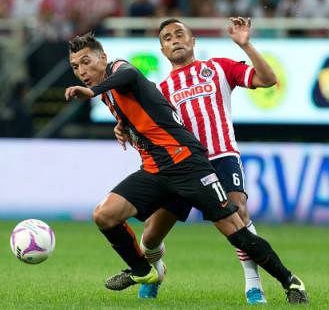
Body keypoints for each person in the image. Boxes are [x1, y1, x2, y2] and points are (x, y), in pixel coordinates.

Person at [65, 32, 309, 304]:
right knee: (105, 215)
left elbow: (130, 76)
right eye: (76, 67)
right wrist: (123, 126)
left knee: (236, 232)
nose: (82, 70)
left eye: (86, 62)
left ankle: (290, 281)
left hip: (188, 165)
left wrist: (93, 91)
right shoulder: (113, 95)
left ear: (103, 58)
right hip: (156, 170)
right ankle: (143, 271)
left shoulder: (119, 69)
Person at [114, 17, 278, 303]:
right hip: (180, 167)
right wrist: (123, 128)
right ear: (163, 51)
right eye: (167, 38)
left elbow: (267, 80)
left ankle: (254, 286)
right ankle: (156, 268)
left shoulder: (218, 68)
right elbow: (139, 125)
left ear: (193, 41)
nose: (174, 39)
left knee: (238, 212)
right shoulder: (158, 91)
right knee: (151, 237)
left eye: (180, 34)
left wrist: (246, 45)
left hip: (221, 155)